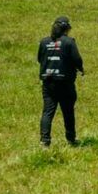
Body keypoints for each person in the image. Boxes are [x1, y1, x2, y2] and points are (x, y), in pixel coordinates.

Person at [37, 17, 84, 147]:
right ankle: (71, 139)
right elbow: (77, 59)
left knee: (47, 111)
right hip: (65, 82)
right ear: (66, 29)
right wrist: (80, 68)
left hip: (48, 81)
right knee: (68, 111)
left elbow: (40, 59)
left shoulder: (44, 42)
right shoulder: (69, 42)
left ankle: (44, 141)